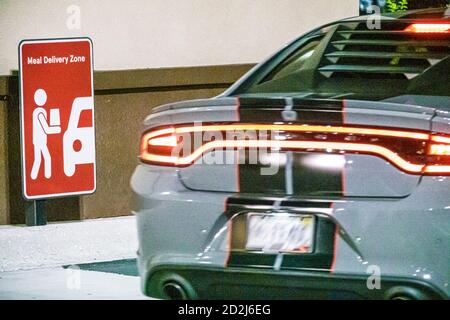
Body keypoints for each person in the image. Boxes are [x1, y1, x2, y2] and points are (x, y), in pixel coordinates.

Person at [30, 89, 61, 180]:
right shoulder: (39, 112)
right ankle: (46, 178)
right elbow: (46, 128)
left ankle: (34, 177)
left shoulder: (38, 111)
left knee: (38, 159)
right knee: (47, 158)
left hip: (39, 140)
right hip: (40, 141)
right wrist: (57, 128)